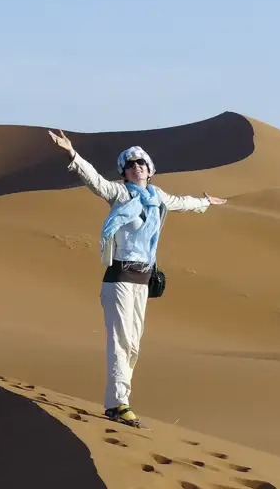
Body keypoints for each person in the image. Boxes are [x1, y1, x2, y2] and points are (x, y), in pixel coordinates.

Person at [48, 129, 227, 428]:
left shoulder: (158, 198)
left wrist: (207, 203)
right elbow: (96, 182)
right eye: (130, 164)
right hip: (119, 277)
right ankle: (119, 403)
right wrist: (72, 154)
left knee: (133, 344)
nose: (136, 167)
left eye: (141, 162)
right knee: (120, 341)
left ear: (150, 169)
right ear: (124, 172)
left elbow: (184, 202)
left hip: (143, 280)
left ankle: (117, 401)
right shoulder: (120, 195)